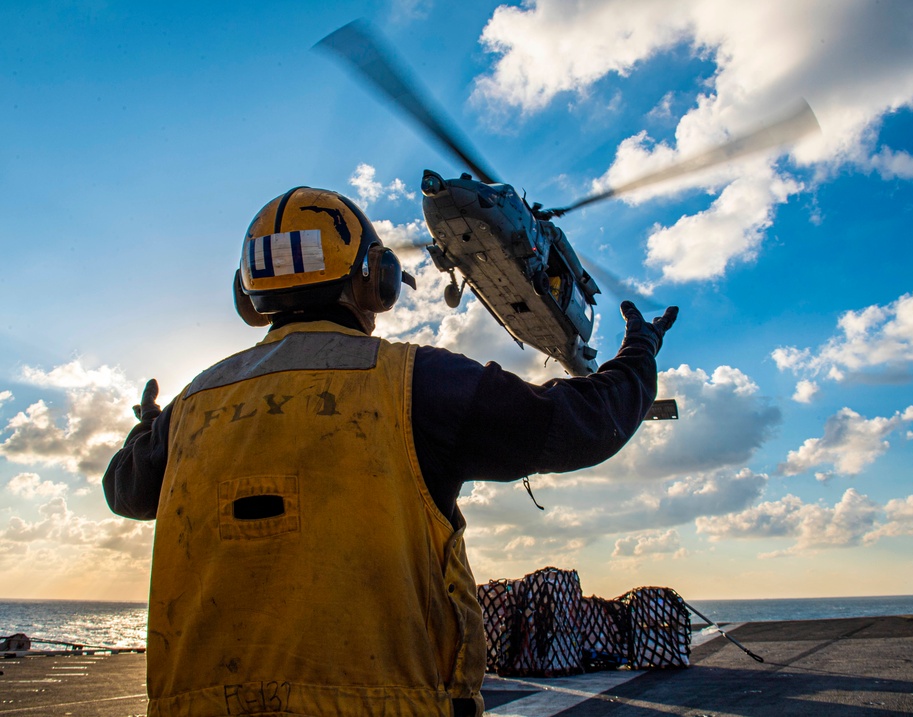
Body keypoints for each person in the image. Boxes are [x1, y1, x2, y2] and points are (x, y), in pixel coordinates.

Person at [104, 187, 678, 717]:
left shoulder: (194, 406)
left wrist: (150, 427)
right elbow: (585, 424)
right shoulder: (416, 383)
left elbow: (125, 490)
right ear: (374, 281)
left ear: (248, 296)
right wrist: (641, 351)